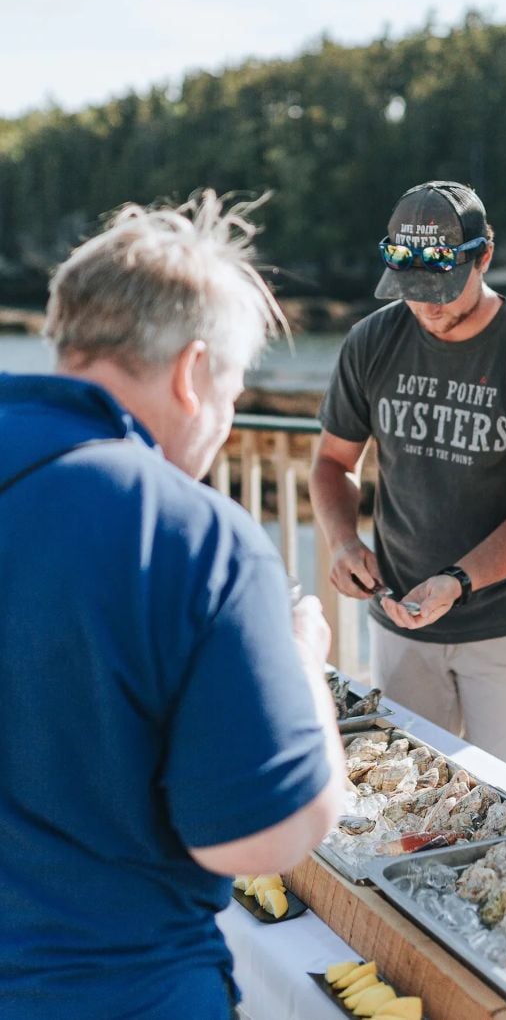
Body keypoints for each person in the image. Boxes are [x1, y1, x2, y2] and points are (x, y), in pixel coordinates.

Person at [0, 191, 345, 1019]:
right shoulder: (195, 538)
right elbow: (263, 834)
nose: (226, 419)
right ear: (194, 374)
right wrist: (302, 671)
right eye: (230, 390)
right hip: (118, 990)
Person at [310, 180, 506, 782]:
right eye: (412, 291)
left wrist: (458, 581)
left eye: (443, 287)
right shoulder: (372, 342)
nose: (428, 306)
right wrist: (343, 541)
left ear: (483, 256)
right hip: (400, 621)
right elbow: (332, 462)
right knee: (402, 803)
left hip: (505, 627)